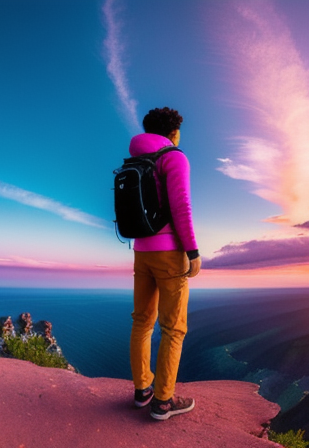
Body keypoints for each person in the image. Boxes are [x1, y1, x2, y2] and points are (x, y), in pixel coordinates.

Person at [129, 107, 201, 420]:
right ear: (172, 132)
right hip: (169, 252)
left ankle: (142, 390)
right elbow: (181, 206)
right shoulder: (173, 157)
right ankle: (163, 402)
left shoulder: (134, 161)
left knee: (142, 321)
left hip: (141, 250)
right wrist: (193, 250)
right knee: (173, 328)